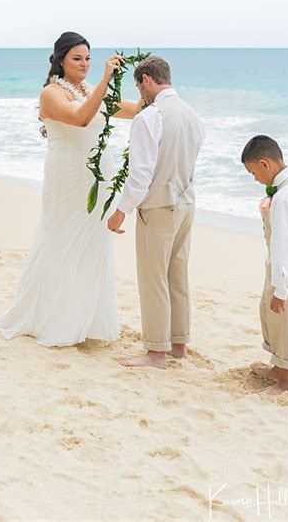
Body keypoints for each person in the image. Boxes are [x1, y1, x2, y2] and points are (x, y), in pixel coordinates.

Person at [0, 31, 142, 347]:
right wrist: (104, 79)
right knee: (62, 241)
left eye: (88, 58)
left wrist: (151, 78)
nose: (84, 64)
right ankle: (54, 318)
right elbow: (80, 118)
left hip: (98, 182)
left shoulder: (88, 89)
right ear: (61, 60)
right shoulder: (51, 93)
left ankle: (86, 320)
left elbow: (136, 110)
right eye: (77, 58)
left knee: (92, 246)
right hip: (69, 179)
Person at [108, 55, 204, 369]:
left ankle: (155, 353)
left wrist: (122, 210)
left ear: (147, 79)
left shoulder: (150, 117)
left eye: (140, 87)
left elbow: (141, 174)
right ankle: (179, 346)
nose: (140, 96)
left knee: (153, 279)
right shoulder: (192, 114)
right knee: (178, 275)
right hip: (186, 203)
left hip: (159, 206)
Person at [241, 135, 288, 395]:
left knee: (282, 317)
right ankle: (278, 366)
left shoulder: (284, 198)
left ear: (265, 164)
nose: (255, 179)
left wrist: (282, 289)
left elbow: (285, 245)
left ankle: (286, 381)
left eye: (253, 172)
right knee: (266, 310)